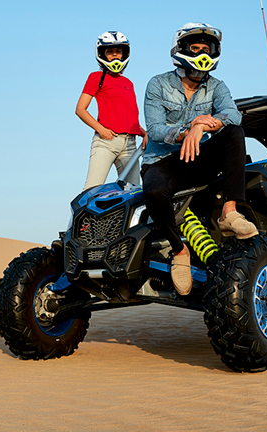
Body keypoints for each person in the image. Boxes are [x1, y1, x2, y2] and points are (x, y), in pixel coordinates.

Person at [141, 22, 257, 296]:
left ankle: (230, 213)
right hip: (163, 161)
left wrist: (203, 126)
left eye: (207, 48)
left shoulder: (217, 87)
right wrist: (186, 131)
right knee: (154, 190)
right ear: (181, 50)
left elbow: (233, 114)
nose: (202, 52)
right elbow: (155, 129)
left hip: (198, 159)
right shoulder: (158, 84)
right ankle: (179, 251)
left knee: (234, 133)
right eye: (196, 47)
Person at [75, 31, 146, 190]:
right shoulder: (96, 77)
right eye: (110, 52)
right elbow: (80, 109)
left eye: (118, 51)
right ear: (102, 54)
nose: (115, 55)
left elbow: (128, 118)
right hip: (106, 141)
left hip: (130, 144)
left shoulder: (129, 82)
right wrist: (102, 130)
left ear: (124, 54)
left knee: (134, 191)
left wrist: (145, 133)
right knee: (92, 190)